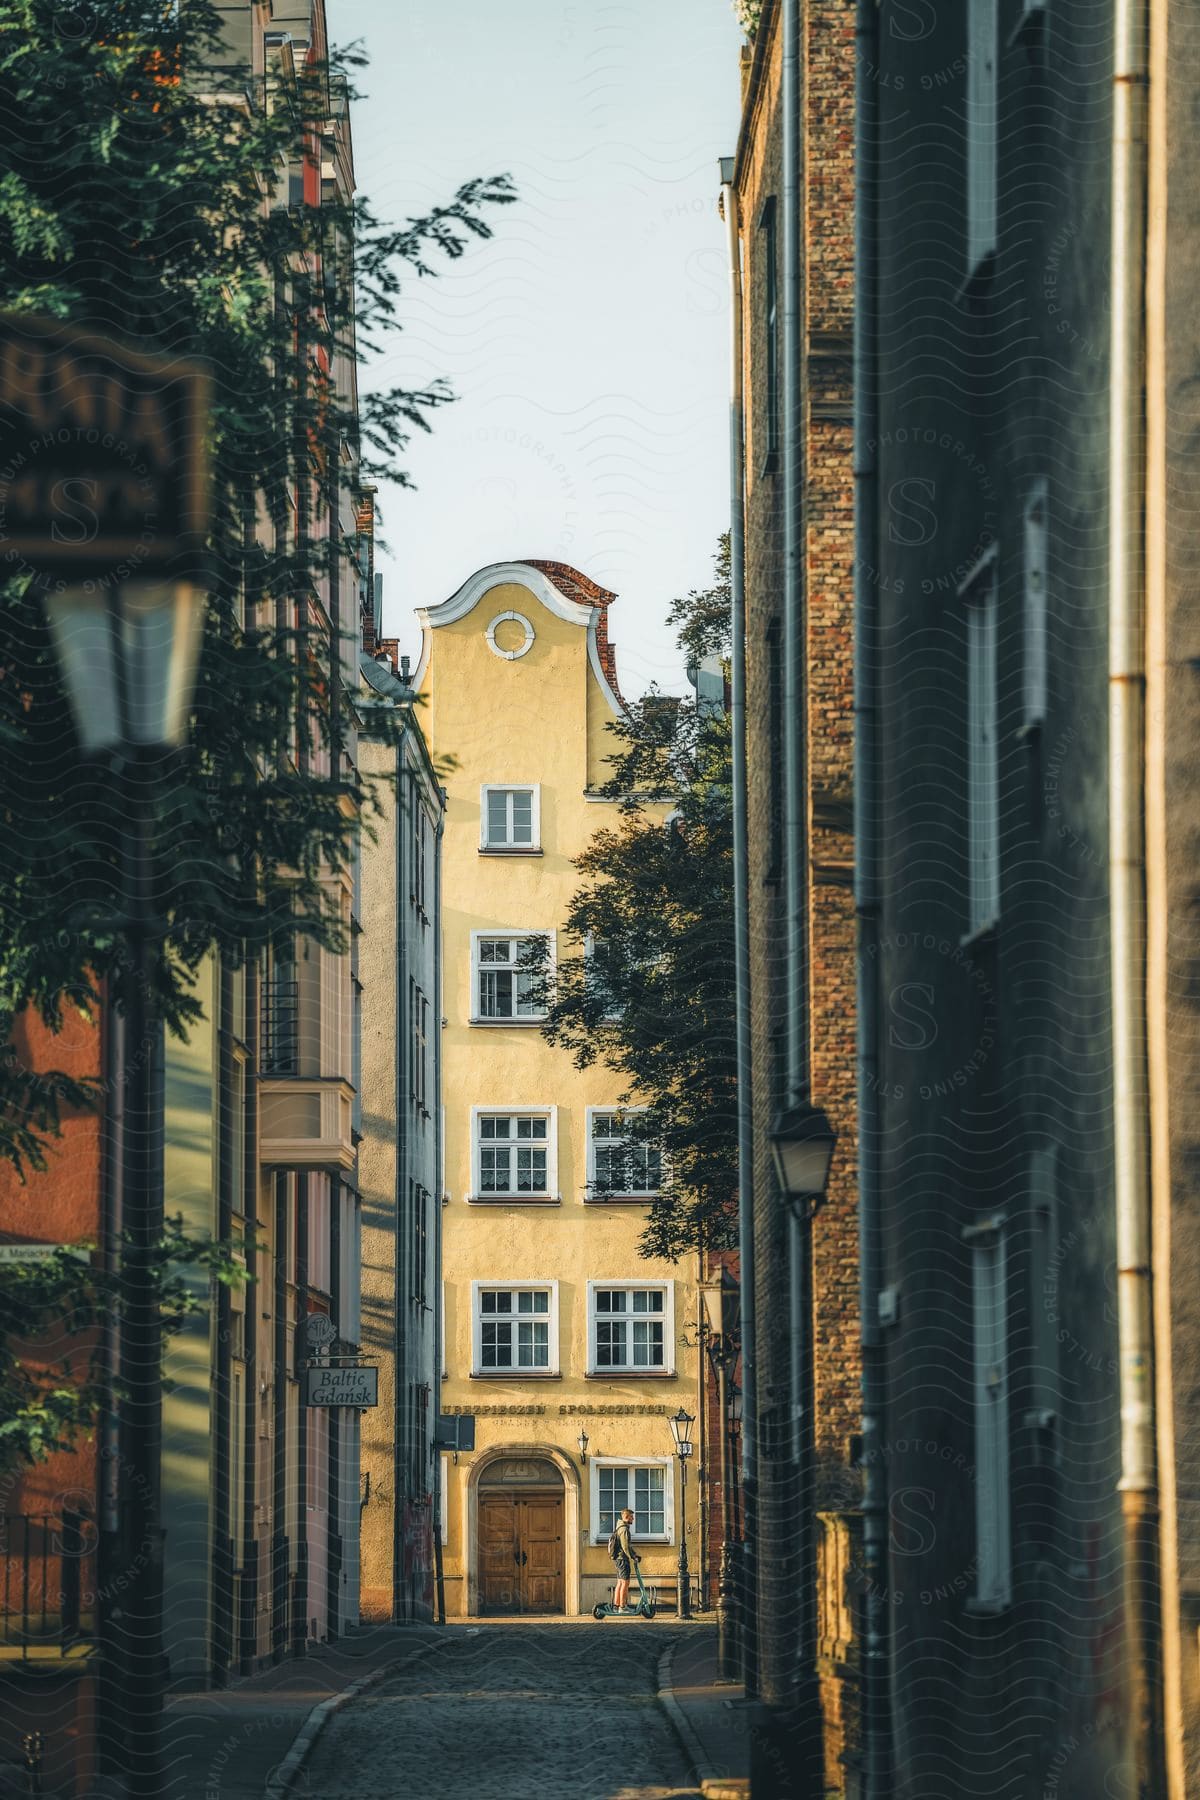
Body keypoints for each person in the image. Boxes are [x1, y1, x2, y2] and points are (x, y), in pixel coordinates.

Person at [612, 1507, 640, 1612]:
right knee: (625, 1583)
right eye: (631, 1517)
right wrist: (633, 1557)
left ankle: (616, 1605)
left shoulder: (620, 1527)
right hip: (622, 1559)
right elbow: (625, 1546)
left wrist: (634, 1554)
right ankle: (622, 1607)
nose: (633, 1519)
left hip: (619, 1559)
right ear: (626, 1517)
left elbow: (627, 1545)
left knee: (620, 1582)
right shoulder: (623, 1529)